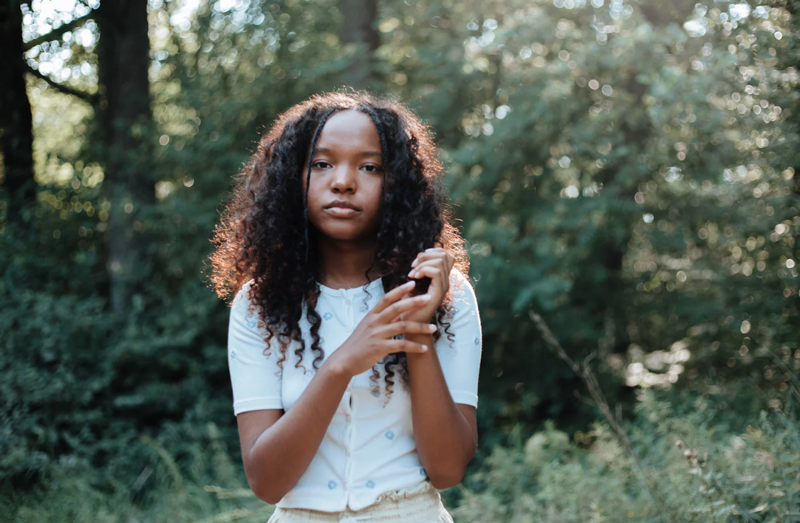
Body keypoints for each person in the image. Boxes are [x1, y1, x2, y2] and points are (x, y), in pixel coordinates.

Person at [208, 89, 483, 523]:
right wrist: (341, 365)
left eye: (369, 167)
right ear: (293, 177)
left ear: (397, 184)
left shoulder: (446, 294)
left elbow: (447, 470)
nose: (343, 182)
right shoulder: (259, 303)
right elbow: (266, 482)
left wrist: (417, 327)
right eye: (322, 164)